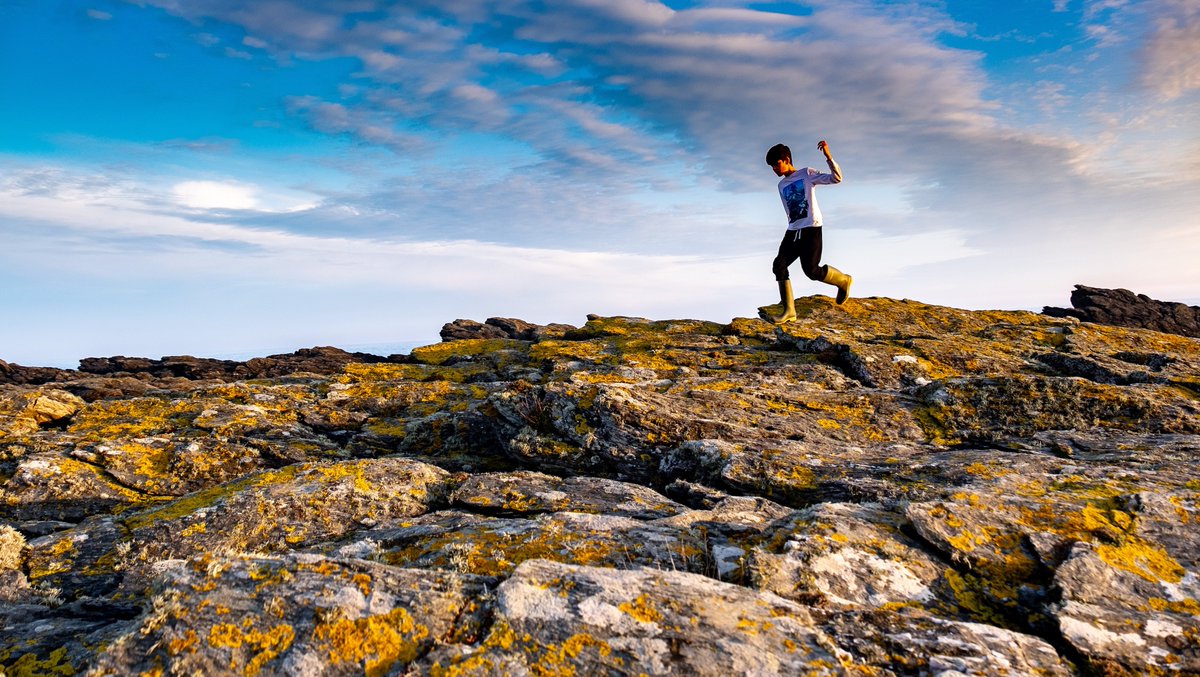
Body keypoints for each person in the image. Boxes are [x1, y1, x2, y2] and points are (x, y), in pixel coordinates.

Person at [764, 139, 852, 323]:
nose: (774, 170)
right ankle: (789, 311)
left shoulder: (806, 174)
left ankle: (843, 281)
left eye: (777, 164)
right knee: (779, 265)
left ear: (787, 159)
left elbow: (836, 178)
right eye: (772, 167)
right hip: (793, 230)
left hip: (811, 228)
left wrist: (828, 156)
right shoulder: (780, 186)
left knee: (811, 271)